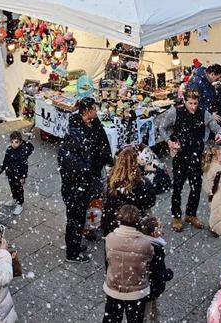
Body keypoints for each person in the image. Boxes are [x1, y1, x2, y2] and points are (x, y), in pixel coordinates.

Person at [155, 90, 221, 231]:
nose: (193, 106)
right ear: (184, 101)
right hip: (180, 156)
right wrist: (169, 141)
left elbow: (216, 127)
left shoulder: (203, 113)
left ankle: (191, 214)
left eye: (195, 103)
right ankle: (176, 216)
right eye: (190, 103)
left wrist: (220, 134)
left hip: (197, 156)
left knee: (196, 187)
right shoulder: (175, 112)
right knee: (177, 187)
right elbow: (161, 127)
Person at [59, 97, 111, 262]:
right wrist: (88, 173)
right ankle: (72, 253)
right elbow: (77, 166)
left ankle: (75, 244)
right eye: (94, 109)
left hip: (80, 185)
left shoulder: (87, 128)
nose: (97, 112)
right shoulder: (77, 139)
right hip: (76, 187)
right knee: (75, 218)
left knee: (78, 217)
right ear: (87, 112)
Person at [101, 204, 154, 323]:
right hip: (136, 290)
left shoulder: (110, 238)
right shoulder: (145, 243)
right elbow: (149, 258)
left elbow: (108, 260)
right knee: (135, 319)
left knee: (112, 318)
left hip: (114, 288)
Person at [103, 146, 167, 236]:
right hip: (133, 223)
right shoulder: (142, 183)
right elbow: (149, 203)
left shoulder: (111, 178)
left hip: (112, 222)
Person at [139, 215, 171, 323]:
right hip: (150, 287)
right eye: (159, 227)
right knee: (147, 311)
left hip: (145, 286)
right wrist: (168, 274)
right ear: (153, 233)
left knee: (148, 308)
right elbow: (157, 271)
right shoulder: (154, 249)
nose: (162, 229)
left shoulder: (144, 243)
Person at [0, 131, 34, 215]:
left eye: (16, 142)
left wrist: (23, 177)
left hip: (18, 174)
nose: (14, 144)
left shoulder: (22, 152)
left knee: (19, 189)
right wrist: (2, 168)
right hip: (10, 173)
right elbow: (5, 160)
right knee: (12, 187)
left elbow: (24, 166)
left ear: (20, 142)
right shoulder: (9, 150)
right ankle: (14, 199)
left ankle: (20, 204)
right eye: (12, 142)